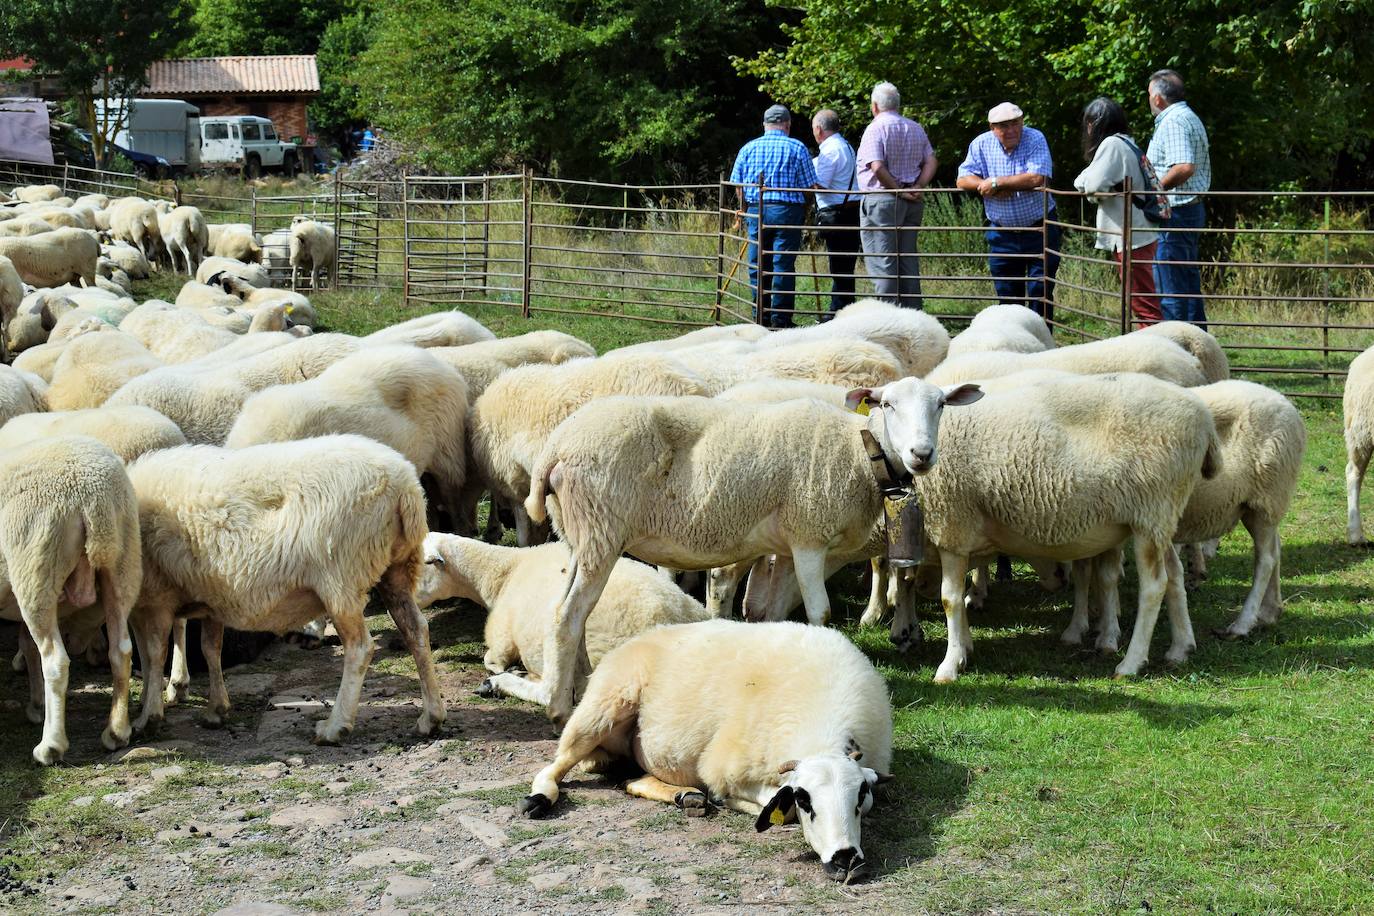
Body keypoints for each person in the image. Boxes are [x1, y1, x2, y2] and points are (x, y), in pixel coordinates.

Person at [956, 102, 1060, 322]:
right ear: (992, 128)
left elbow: (1037, 177)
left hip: (1039, 229)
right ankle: (1013, 348)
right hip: (1002, 234)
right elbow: (962, 178)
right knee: (1007, 298)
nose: (1011, 130)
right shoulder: (981, 144)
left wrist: (999, 183)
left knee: (1039, 294)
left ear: (1022, 122)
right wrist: (984, 185)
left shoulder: (1035, 138)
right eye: (1004, 126)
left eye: (1015, 123)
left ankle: (1041, 349)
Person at [1073, 97, 1162, 326]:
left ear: (1094, 124)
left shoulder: (1111, 145)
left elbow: (1091, 184)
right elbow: (1086, 178)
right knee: (1142, 300)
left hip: (1131, 234)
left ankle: (1157, 354)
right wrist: (1101, 185)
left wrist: (1097, 190)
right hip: (1137, 232)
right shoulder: (1125, 142)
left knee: (1143, 304)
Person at [729, 104, 818, 328]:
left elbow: (737, 185)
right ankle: (781, 319)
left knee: (758, 263)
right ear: (787, 124)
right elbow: (809, 187)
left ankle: (760, 315)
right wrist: (803, 205)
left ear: (765, 125)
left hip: (756, 209)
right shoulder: (797, 147)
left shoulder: (748, 148)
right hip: (787, 210)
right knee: (783, 264)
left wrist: (746, 206)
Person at [855, 82, 937, 310]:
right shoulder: (915, 127)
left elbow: (877, 167)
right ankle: (913, 314)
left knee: (884, 261)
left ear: (874, 106)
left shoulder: (875, 128)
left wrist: (898, 190)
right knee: (907, 259)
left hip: (882, 200)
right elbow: (931, 160)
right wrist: (919, 186)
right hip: (913, 200)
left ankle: (888, 315)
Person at [1146, 69, 1211, 328]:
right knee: (1186, 285)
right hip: (1188, 210)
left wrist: (1154, 191)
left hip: (1175, 212)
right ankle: (1199, 350)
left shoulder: (1172, 121)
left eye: (1150, 94)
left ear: (1159, 98)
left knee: (1171, 288)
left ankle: (1177, 352)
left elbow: (1184, 167)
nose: (1149, 99)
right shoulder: (1188, 116)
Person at [810, 109, 860, 316]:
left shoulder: (830, 150)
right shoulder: (845, 145)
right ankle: (844, 311)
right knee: (845, 266)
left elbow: (821, 183)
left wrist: (805, 180)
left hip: (837, 214)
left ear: (819, 129)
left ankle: (837, 313)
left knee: (839, 267)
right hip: (851, 210)